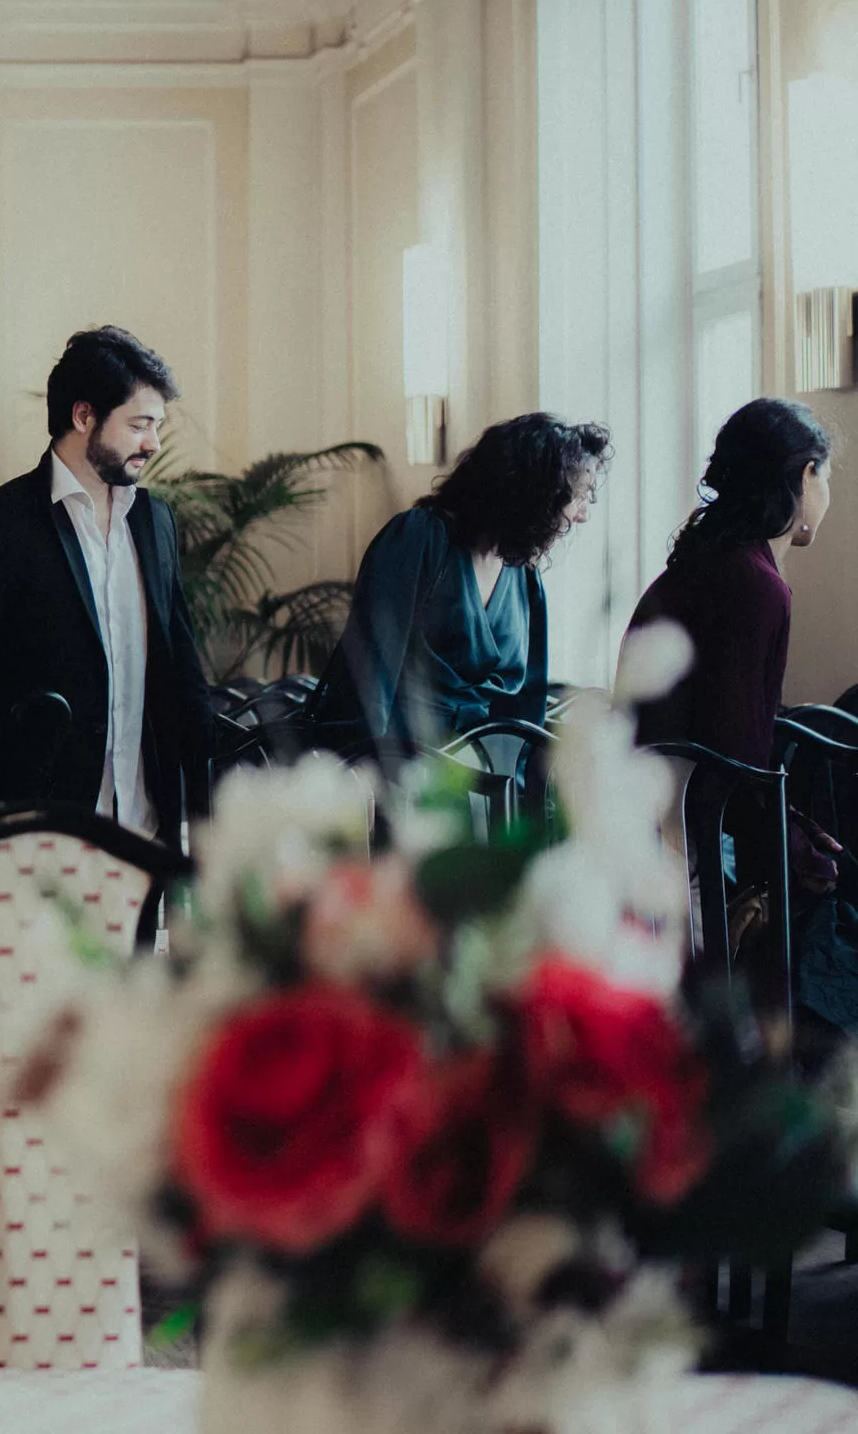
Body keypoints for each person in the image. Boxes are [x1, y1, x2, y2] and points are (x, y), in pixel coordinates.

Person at [0, 328, 213, 1090]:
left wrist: (203, 800)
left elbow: (180, 664)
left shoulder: (154, 521)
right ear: (84, 416)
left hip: (140, 810)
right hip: (37, 814)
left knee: (117, 1012)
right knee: (8, 1002)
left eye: (156, 425)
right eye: (139, 423)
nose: (153, 442)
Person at [625, 401, 845, 1038]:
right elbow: (737, 757)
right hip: (685, 834)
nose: (827, 495)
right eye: (826, 478)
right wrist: (801, 846)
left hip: (652, 812)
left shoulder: (706, 565)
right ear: (804, 476)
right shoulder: (754, 584)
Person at [312, 412, 609, 750]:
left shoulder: (523, 575)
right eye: (578, 496)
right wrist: (364, 766)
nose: (582, 514)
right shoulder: (419, 538)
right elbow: (367, 676)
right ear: (536, 492)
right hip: (402, 758)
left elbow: (526, 705)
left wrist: (514, 774)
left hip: (486, 765)